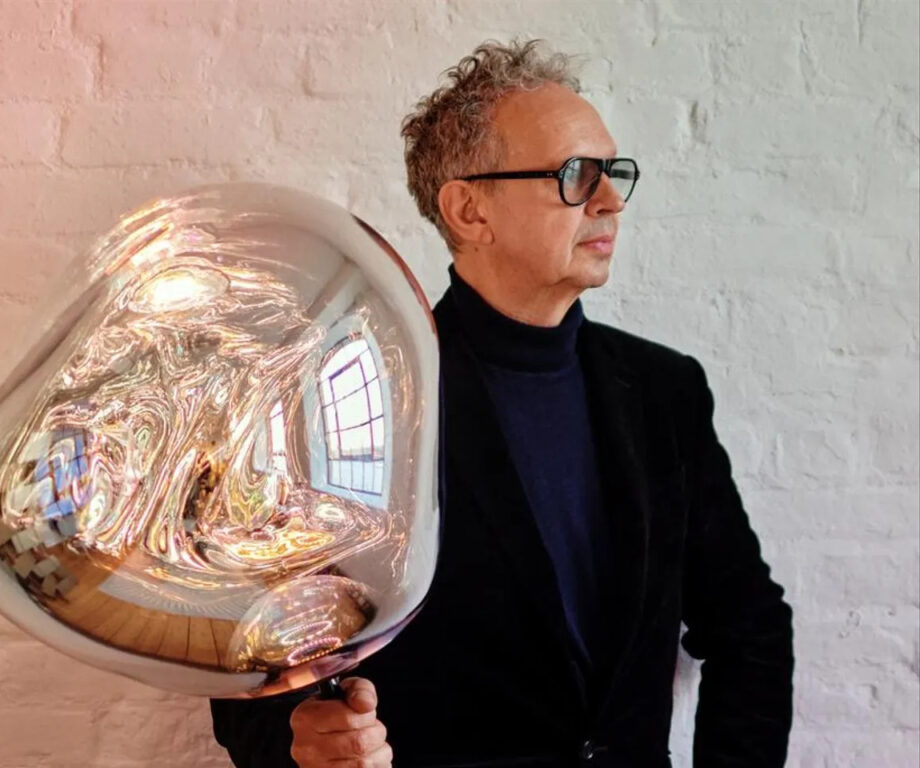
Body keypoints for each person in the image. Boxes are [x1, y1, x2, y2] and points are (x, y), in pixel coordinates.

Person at [210, 38, 794, 768]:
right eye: (576, 175)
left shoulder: (663, 391)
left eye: (612, 172)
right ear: (469, 210)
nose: (610, 200)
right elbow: (252, 667)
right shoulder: (353, 401)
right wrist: (300, 741)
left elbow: (750, 628)